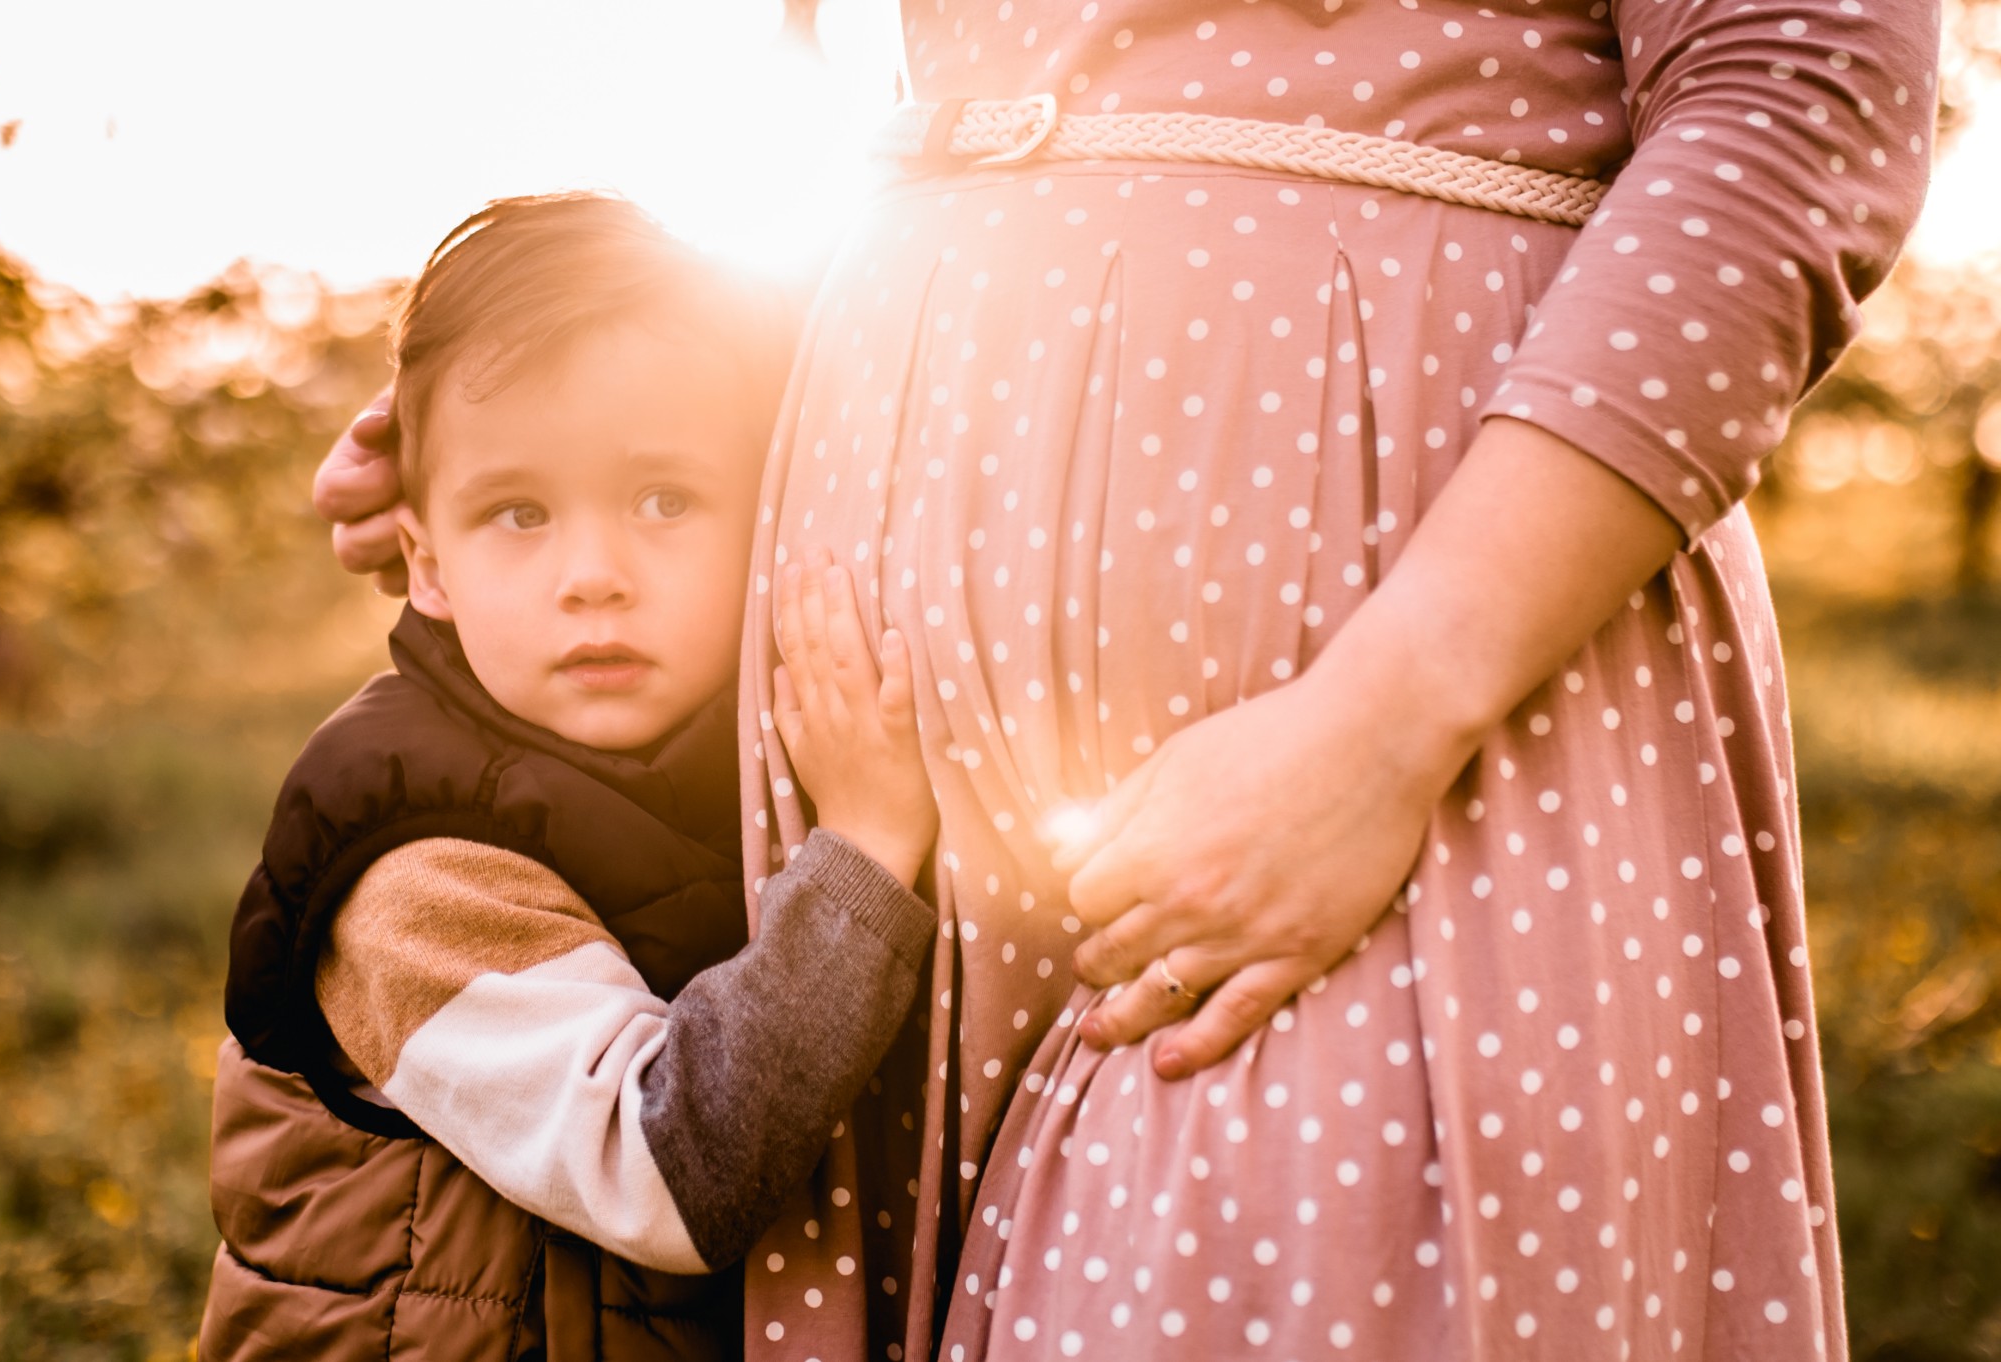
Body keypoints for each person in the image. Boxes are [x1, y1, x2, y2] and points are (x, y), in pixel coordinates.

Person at [317, 0, 1939, 1353]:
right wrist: (561, 435)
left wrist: (1390, 712)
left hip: (1416, 723)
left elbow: (1793, 92)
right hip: (924, 893)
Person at [204, 193, 942, 1361]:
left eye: (662, 500)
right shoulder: (419, 876)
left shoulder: (690, 756)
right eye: (518, 512)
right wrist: (863, 848)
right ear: (426, 566)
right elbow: (666, 1172)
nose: (594, 574)